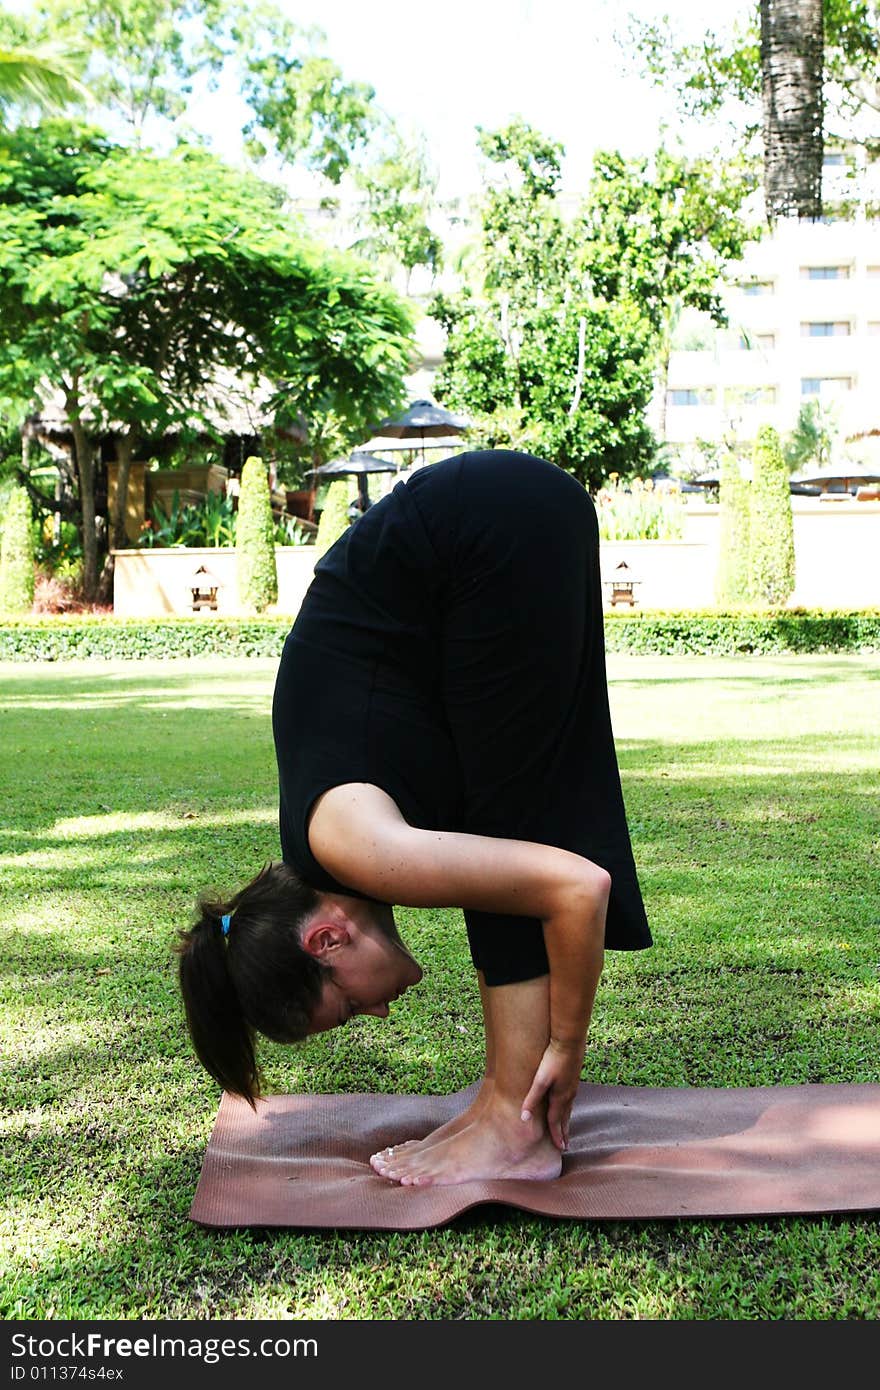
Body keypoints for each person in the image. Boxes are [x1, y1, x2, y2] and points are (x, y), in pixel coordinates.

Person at [176, 449, 651, 1187]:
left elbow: (575, 887)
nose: (379, 1015)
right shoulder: (334, 840)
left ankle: (514, 1124)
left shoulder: (356, 847)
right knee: (504, 840)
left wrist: (567, 1042)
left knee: (517, 830)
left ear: (327, 938)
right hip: (487, 522)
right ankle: (502, 1100)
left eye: (345, 1010)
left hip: (484, 527)